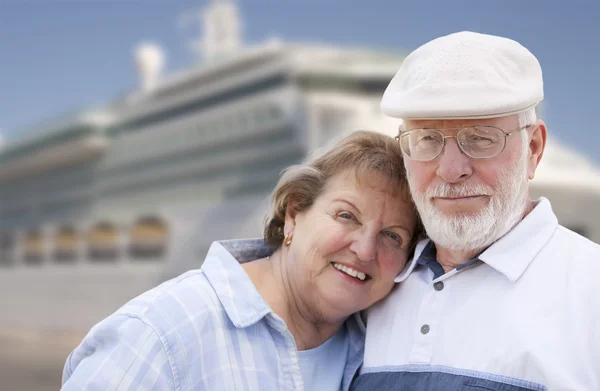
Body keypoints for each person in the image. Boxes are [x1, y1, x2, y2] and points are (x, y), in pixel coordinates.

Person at [61, 130, 422, 391]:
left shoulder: (377, 352)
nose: (365, 249)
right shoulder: (160, 335)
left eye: (393, 236)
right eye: (347, 216)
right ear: (294, 215)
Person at [350, 31, 600, 390]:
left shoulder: (591, 290)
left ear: (533, 148)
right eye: (427, 140)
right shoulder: (370, 284)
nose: (451, 170)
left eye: (480, 138)